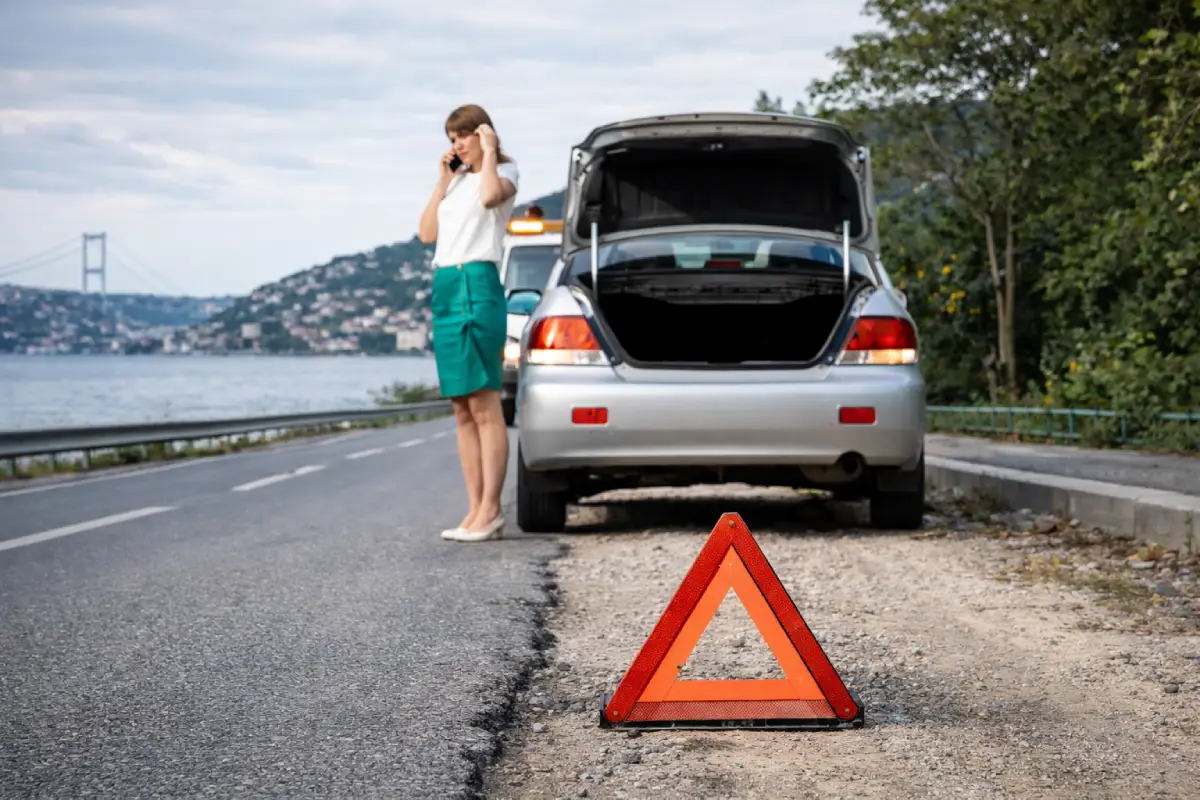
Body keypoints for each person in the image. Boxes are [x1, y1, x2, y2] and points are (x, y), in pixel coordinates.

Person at [417, 104, 520, 543]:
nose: (456, 143)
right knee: (461, 406)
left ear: (483, 134)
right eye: (451, 137)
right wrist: (443, 179)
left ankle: (492, 510)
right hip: (445, 286)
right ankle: (474, 508)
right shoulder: (455, 182)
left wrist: (492, 152)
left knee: (484, 401)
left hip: (477, 284)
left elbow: (491, 198)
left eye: (463, 135)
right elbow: (426, 234)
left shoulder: (502, 175)